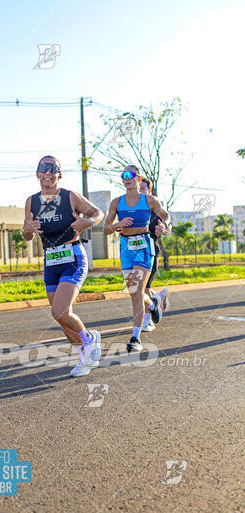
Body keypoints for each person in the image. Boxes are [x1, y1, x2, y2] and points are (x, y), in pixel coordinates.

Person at [22, 156, 104, 376]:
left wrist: (89, 222)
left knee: (61, 310)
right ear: (37, 173)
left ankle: (90, 339)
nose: (47, 172)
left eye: (52, 169)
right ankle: (84, 357)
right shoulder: (32, 201)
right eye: (43, 168)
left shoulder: (70, 197)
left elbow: (98, 213)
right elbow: (27, 235)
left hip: (73, 258)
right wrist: (28, 229)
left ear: (59, 174)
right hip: (51, 261)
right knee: (59, 316)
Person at [103, 165, 170, 352]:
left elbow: (166, 217)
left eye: (130, 174)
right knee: (135, 291)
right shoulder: (117, 202)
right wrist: (118, 224)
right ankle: (154, 302)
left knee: (136, 291)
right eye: (123, 175)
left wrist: (165, 227)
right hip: (126, 248)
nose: (127, 178)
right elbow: (106, 228)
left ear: (138, 179)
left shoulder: (149, 200)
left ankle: (135, 338)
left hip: (144, 246)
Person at [139, 177, 171, 332]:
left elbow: (168, 224)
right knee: (140, 287)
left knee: (142, 288)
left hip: (151, 252)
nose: (140, 190)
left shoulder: (154, 208)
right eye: (138, 188)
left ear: (149, 191)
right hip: (134, 253)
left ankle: (147, 321)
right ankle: (159, 296)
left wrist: (164, 228)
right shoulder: (131, 208)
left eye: (143, 188)